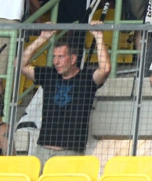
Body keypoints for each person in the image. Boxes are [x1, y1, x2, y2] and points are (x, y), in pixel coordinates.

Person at [20, 27, 110, 163]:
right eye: (54, 57)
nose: (56, 61)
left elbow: (105, 69)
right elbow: (20, 65)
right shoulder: (49, 75)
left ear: (73, 58)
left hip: (69, 153)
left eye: (61, 57)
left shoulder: (86, 78)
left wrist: (98, 37)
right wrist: (42, 38)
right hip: (42, 150)